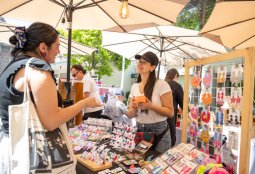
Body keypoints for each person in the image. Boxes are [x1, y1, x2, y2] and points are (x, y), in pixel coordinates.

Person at [0, 22, 101, 173]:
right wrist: (84, 103)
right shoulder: (38, 69)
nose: (59, 51)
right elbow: (52, 121)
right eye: (57, 46)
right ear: (43, 48)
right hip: (31, 154)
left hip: (11, 147)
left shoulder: (13, 66)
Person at [126, 51, 174, 153]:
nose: (140, 64)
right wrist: (134, 107)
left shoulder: (162, 84)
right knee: (140, 165)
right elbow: (130, 115)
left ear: (152, 67)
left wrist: (150, 106)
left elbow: (170, 112)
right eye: (139, 61)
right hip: (140, 131)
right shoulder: (134, 87)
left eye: (144, 62)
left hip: (159, 132)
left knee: (158, 166)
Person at [165, 68, 184, 147]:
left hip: (157, 120)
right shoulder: (176, 86)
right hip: (170, 119)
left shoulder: (160, 83)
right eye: (177, 78)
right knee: (170, 143)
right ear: (175, 75)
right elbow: (184, 105)